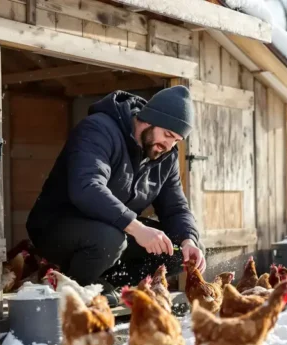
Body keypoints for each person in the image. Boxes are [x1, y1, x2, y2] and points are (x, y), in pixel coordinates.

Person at [26, 86, 206, 307]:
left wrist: (189, 240)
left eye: (176, 140)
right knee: (109, 240)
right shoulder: (98, 130)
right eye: (168, 134)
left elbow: (175, 208)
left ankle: (110, 286)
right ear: (149, 119)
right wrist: (137, 227)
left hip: (114, 227)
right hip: (57, 226)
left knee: (180, 252)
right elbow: (87, 187)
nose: (169, 146)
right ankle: (73, 289)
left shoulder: (165, 156)